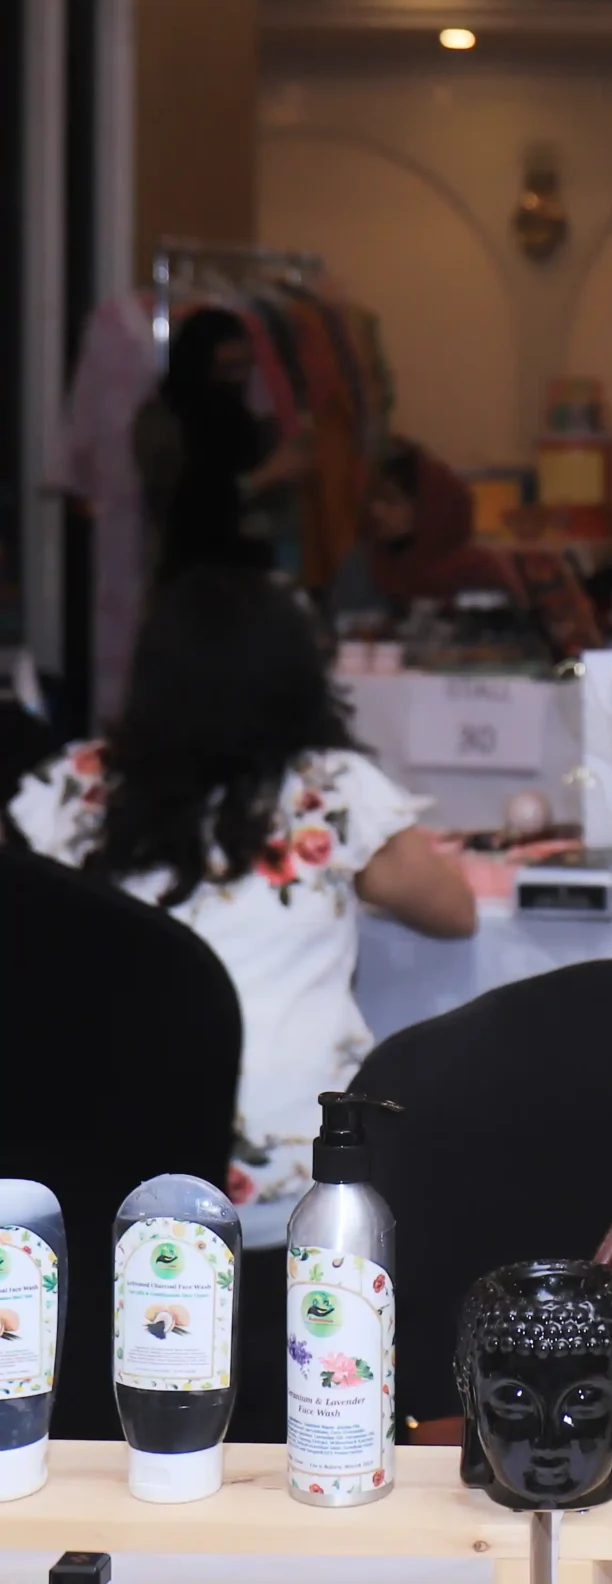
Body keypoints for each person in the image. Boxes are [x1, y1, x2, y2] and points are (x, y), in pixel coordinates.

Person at [9, 566, 476, 1437]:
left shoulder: (68, 791)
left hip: (104, 1169)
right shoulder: (328, 791)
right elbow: (455, 911)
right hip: (298, 1187)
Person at [135, 308, 307, 582]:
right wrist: (262, 478)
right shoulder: (163, 424)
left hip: (250, 578)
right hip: (188, 580)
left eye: (244, 367)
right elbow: (180, 509)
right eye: (226, 369)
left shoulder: (247, 420)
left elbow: (275, 512)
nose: (237, 379)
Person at [330, 441, 518, 616]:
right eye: (374, 498)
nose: (376, 510)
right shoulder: (365, 567)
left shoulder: (479, 573)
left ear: (430, 508)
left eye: (390, 500)